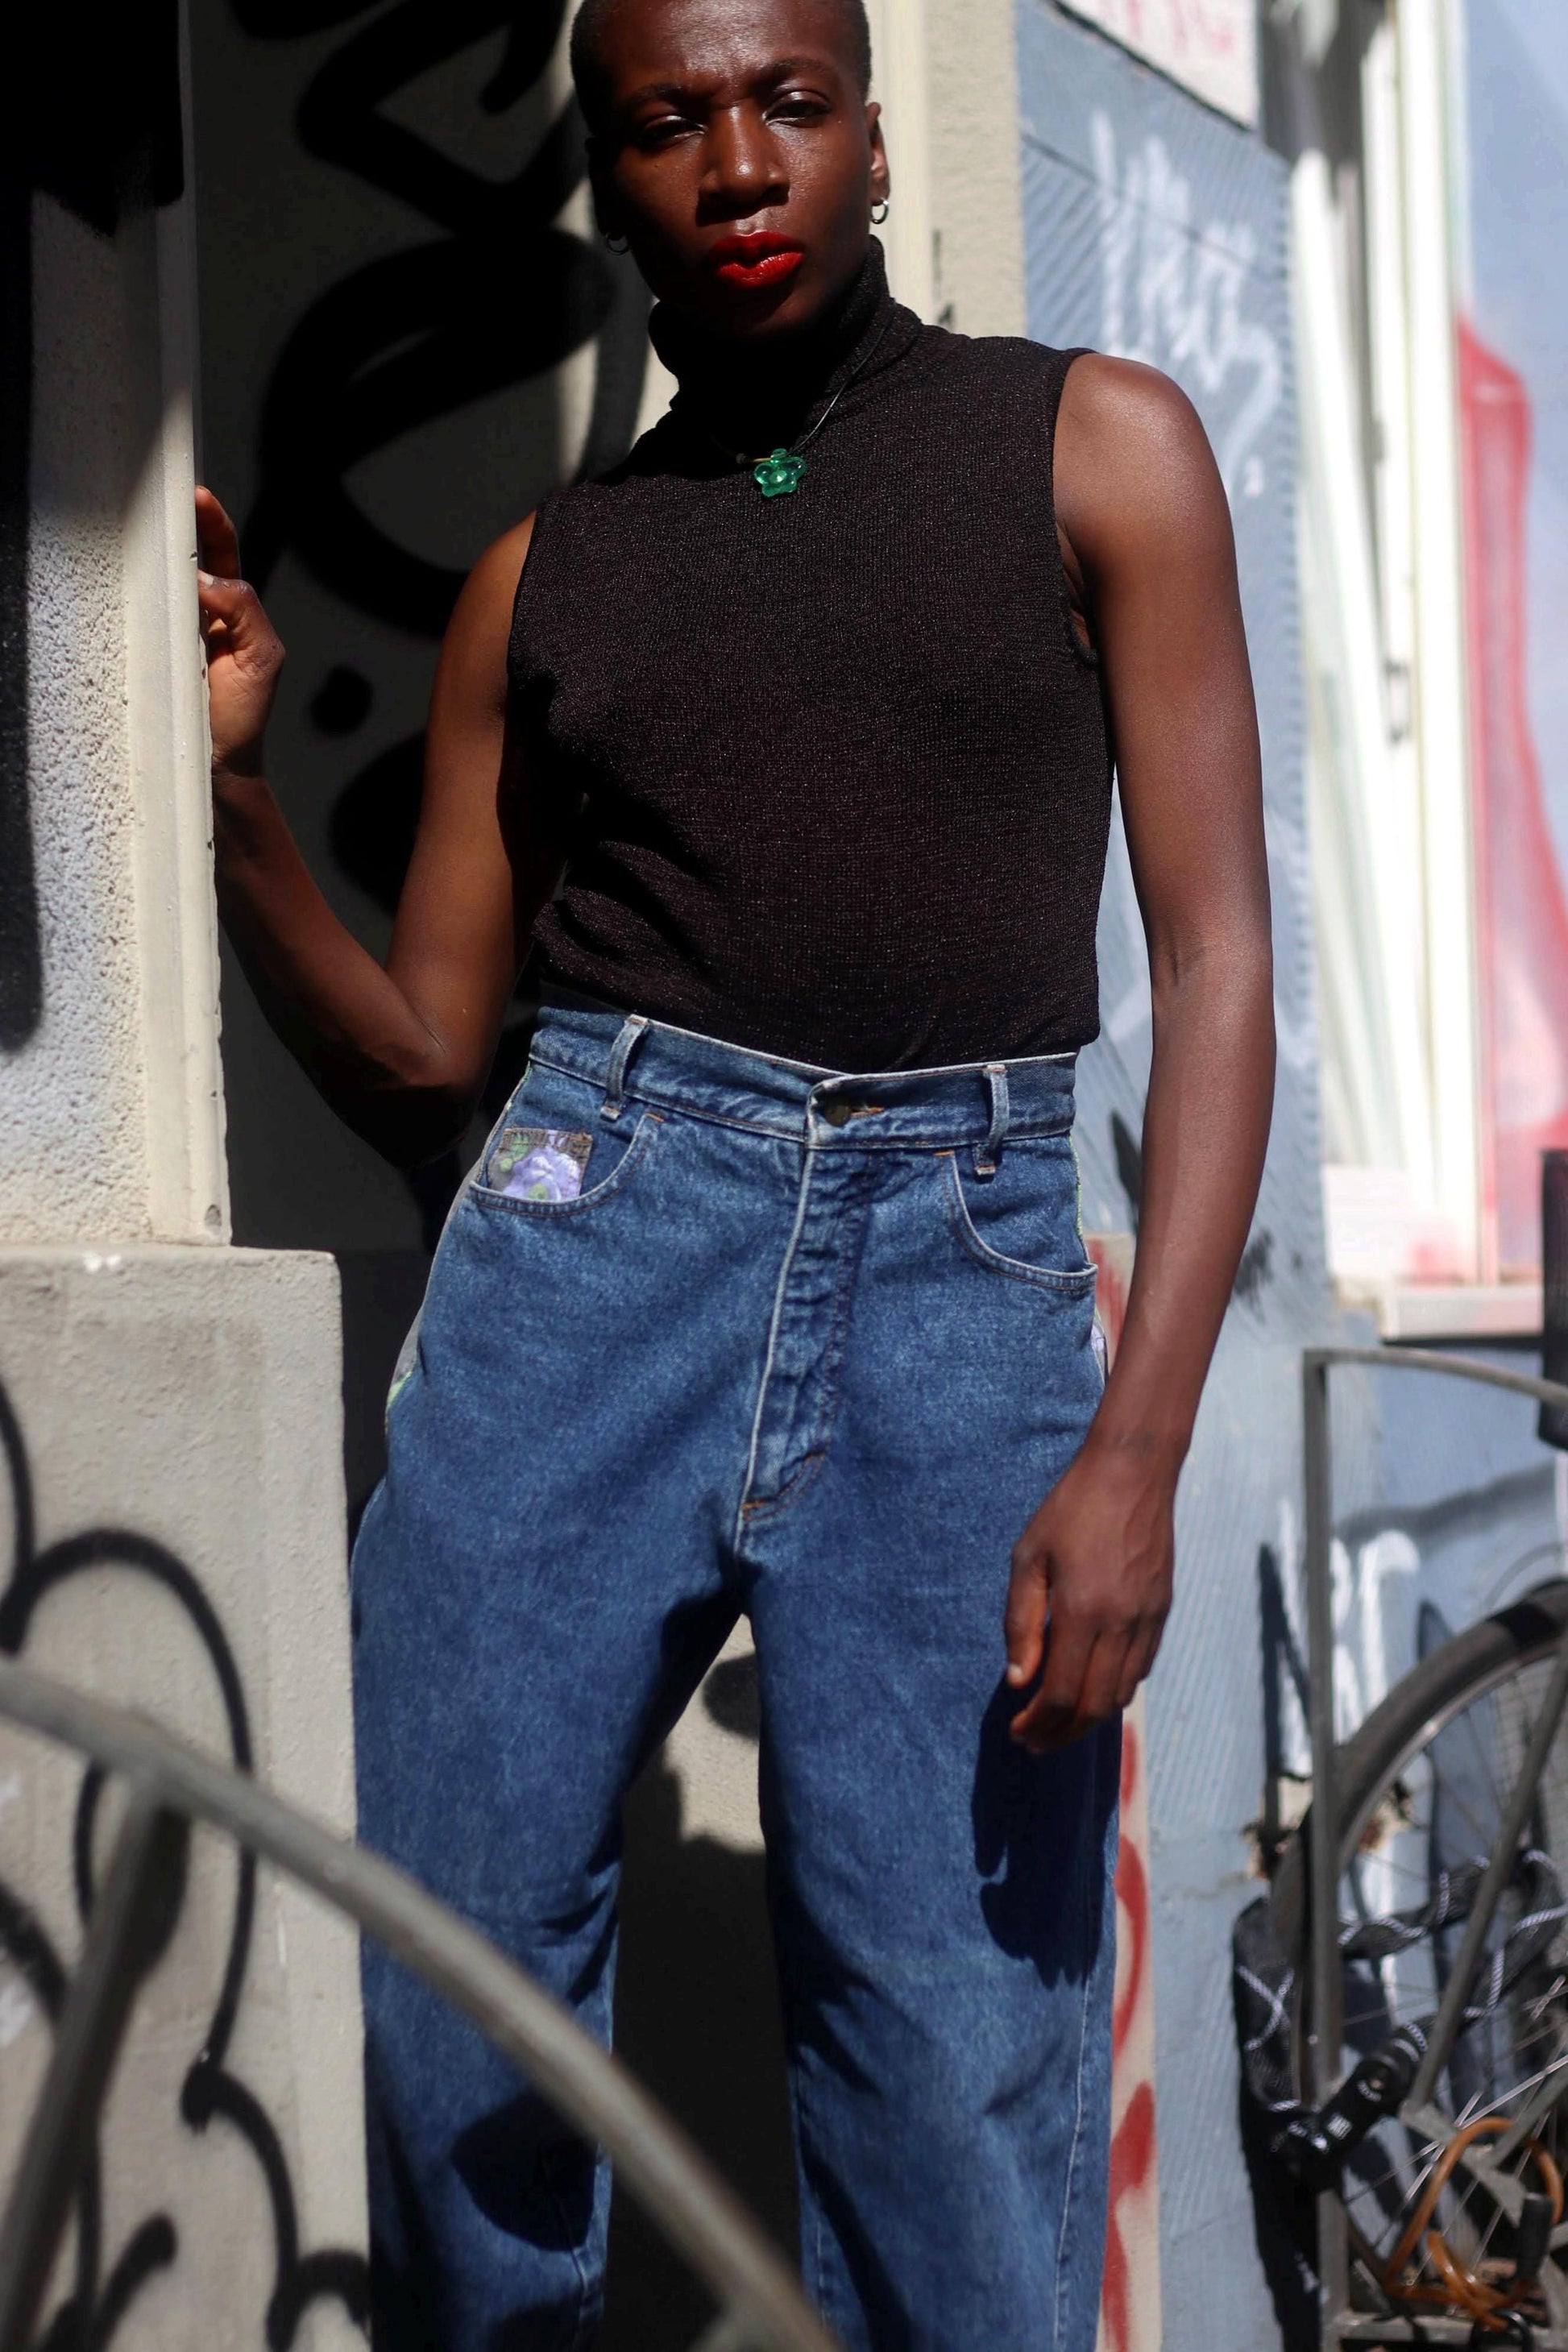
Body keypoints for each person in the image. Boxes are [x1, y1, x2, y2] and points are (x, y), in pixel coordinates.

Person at [195, 0, 1274, 2341]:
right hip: (597, 1246)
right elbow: (424, 1061)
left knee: (950, 2037)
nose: (738, 162)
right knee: (448, 1949)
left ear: (873, 133)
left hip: (963, 1282)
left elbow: (1215, 962)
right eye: (667, 123)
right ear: (607, 178)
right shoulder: (541, 579)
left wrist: (1139, 1444)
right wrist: (244, 806)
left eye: (788, 101)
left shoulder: (1092, 447)